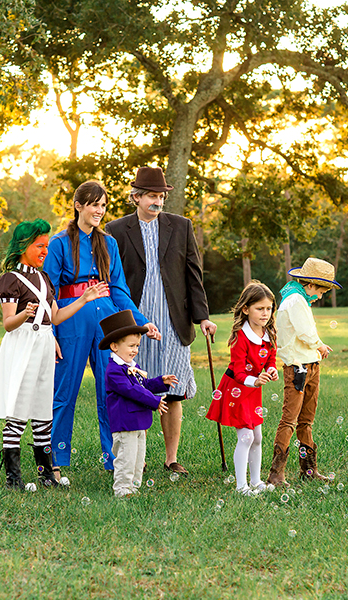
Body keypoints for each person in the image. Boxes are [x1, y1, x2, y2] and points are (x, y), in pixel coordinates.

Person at [43, 181, 160, 478]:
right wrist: (52, 334)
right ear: (78, 205)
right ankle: (54, 460)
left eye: (103, 205)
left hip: (106, 319)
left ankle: (116, 459)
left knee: (112, 390)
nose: (99, 210)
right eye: (94, 204)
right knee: (64, 392)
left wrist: (141, 321)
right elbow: (50, 292)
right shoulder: (58, 244)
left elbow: (118, 289)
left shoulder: (108, 243)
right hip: (72, 318)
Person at [105, 166, 217, 476]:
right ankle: (136, 455)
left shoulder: (181, 226)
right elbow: (113, 279)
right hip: (134, 322)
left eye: (161, 196)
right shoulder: (116, 230)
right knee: (136, 387)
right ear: (136, 197)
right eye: (152, 196)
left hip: (173, 321)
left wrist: (203, 317)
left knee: (173, 388)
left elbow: (193, 275)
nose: (158, 201)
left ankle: (170, 458)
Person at [0, 219, 108, 490]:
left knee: (43, 409)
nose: (45, 251)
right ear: (23, 247)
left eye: (46, 246)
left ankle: (45, 474)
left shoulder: (43, 278)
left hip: (43, 343)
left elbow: (55, 316)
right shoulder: (10, 279)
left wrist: (83, 299)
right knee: (18, 410)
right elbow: (8, 324)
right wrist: (23, 315)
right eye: (39, 246)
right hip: (22, 345)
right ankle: (13, 478)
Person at [266, 257, 341, 486]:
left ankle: (308, 470)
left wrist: (317, 348)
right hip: (298, 368)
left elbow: (308, 332)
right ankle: (276, 473)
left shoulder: (300, 299)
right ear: (310, 285)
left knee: (306, 421)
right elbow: (305, 332)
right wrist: (320, 345)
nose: (320, 296)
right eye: (321, 291)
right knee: (289, 420)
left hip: (311, 365)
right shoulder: (295, 300)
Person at [205, 281, 278, 495]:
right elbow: (238, 372)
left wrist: (272, 371)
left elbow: (271, 360)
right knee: (245, 437)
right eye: (260, 308)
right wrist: (254, 380)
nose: (265, 313)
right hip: (236, 389)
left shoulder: (269, 334)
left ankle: (256, 482)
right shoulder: (241, 337)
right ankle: (241, 486)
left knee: (258, 438)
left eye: (269, 308)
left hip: (253, 391)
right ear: (246, 309)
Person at [99, 310, 178, 497]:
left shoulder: (132, 367)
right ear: (114, 346)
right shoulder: (114, 371)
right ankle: (122, 490)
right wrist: (155, 402)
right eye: (131, 346)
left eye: (137, 346)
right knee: (126, 459)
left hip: (139, 423)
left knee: (137, 458)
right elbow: (132, 391)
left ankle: (134, 488)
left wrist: (161, 382)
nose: (135, 350)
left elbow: (144, 385)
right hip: (125, 424)